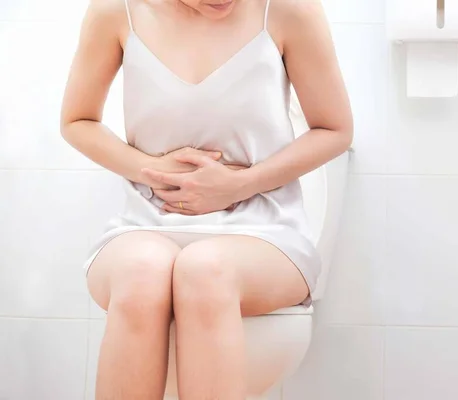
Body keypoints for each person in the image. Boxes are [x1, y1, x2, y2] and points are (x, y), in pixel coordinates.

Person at [60, 0, 352, 398]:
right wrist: (152, 170)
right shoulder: (116, 11)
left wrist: (242, 184)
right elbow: (77, 121)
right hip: (145, 222)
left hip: (263, 230)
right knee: (141, 273)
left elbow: (334, 129)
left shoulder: (288, 10)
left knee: (204, 270)